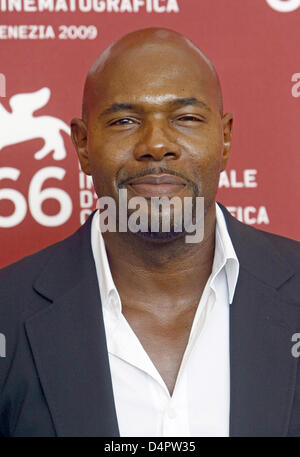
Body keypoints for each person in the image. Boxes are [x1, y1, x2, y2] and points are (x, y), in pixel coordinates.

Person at [0, 27, 299, 438]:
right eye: (125, 120)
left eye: (187, 118)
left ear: (225, 138)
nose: (156, 145)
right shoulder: (8, 311)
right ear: (83, 145)